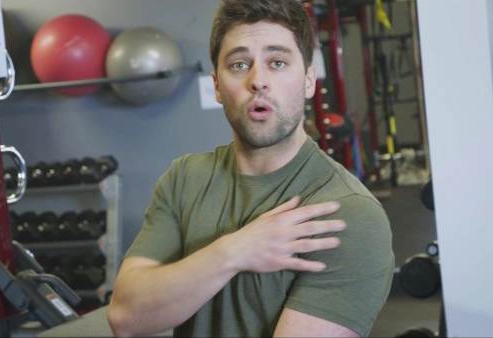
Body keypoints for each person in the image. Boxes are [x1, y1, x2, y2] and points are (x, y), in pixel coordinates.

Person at [107, 0, 394, 336]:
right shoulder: (184, 179)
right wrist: (234, 252)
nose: (258, 81)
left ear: (308, 81)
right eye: (240, 64)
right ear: (216, 85)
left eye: (277, 62)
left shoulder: (348, 213)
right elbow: (126, 316)